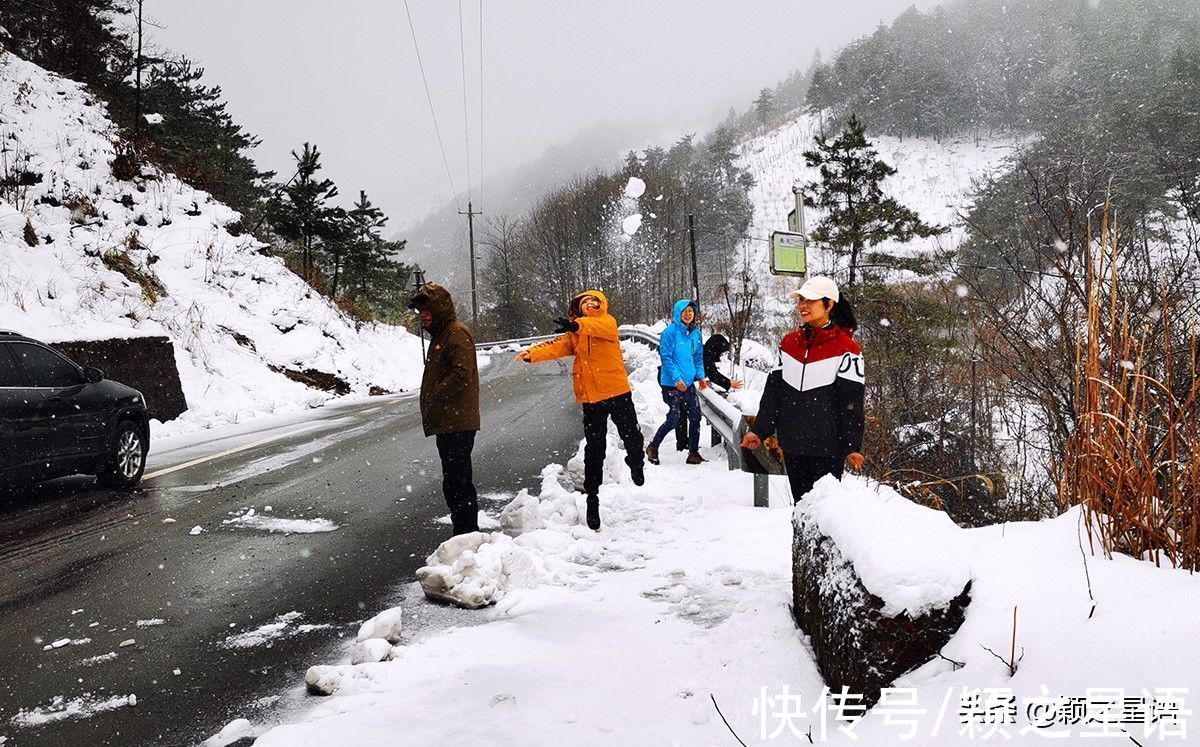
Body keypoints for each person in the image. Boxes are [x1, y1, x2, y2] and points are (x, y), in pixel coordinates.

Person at [515, 290, 644, 531]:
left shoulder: (607, 322)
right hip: (591, 397)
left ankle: (636, 462)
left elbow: (596, 327)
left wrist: (577, 325)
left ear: (601, 304)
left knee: (632, 436)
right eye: (584, 302)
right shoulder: (577, 332)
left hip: (616, 391)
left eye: (593, 301)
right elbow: (557, 346)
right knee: (594, 451)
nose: (589, 305)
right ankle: (592, 498)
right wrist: (532, 353)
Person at [740, 276, 865, 503]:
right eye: (800, 300)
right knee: (800, 509)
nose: (802, 306)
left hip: (828, 448)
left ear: (829, 305)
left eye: (810, 300)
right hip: (793, 444)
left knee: (824, 512)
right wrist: (759, 431)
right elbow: (774, 395)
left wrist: (852, 446)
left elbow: (852, 402)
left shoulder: (848, 349)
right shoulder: (788, 344)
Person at [408, 283, 481, 536]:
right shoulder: (442, 335)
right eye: (420, 311)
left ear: (440, 308)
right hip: (449, 421)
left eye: (427, 309)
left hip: (457, 422)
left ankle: (467, 533)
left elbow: (462, 374)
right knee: (453, 482)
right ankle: (463, 532)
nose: (423, 315)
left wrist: (436, 395)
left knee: (458, 482)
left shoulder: (456, 333)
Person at [647, 299, 708, 466]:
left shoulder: (696, 334)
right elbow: (666, 358)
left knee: (695, 417)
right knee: (674, 419)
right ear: (678, 313)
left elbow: (697, 358)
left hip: (688, 384)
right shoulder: (670, 333)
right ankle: (653, 446)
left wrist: (700, 376)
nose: (688, 314)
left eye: (691, 311)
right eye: (684, 311)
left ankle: (693, 453)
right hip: (671, 384)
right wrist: (676, 379)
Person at [673, 323, 743, 450]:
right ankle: (680, 444)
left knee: (681, 413)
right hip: (675, 382)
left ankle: (682, 443)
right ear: (716, 349)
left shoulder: (704, 351)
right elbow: (712, 373)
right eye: (721, 353)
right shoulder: (705, 354)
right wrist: (729, 383)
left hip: (677, 381)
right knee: (682, 414)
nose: (720, 356)